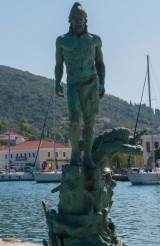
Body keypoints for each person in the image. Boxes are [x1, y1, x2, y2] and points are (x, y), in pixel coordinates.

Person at [55, 2, 105, 169]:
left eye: (80, 18)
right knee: (74, 120)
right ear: (69, 21)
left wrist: (102, 83)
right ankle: (75, 154)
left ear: (85, 20)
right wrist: (57, 82)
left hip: (91, 83)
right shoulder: (62, 41)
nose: (77, 22)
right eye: (74, 19)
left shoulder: (94, 40)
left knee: (90, 122)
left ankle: (88, 157)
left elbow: (100, 63)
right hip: (73, 84)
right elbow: (59, 64)